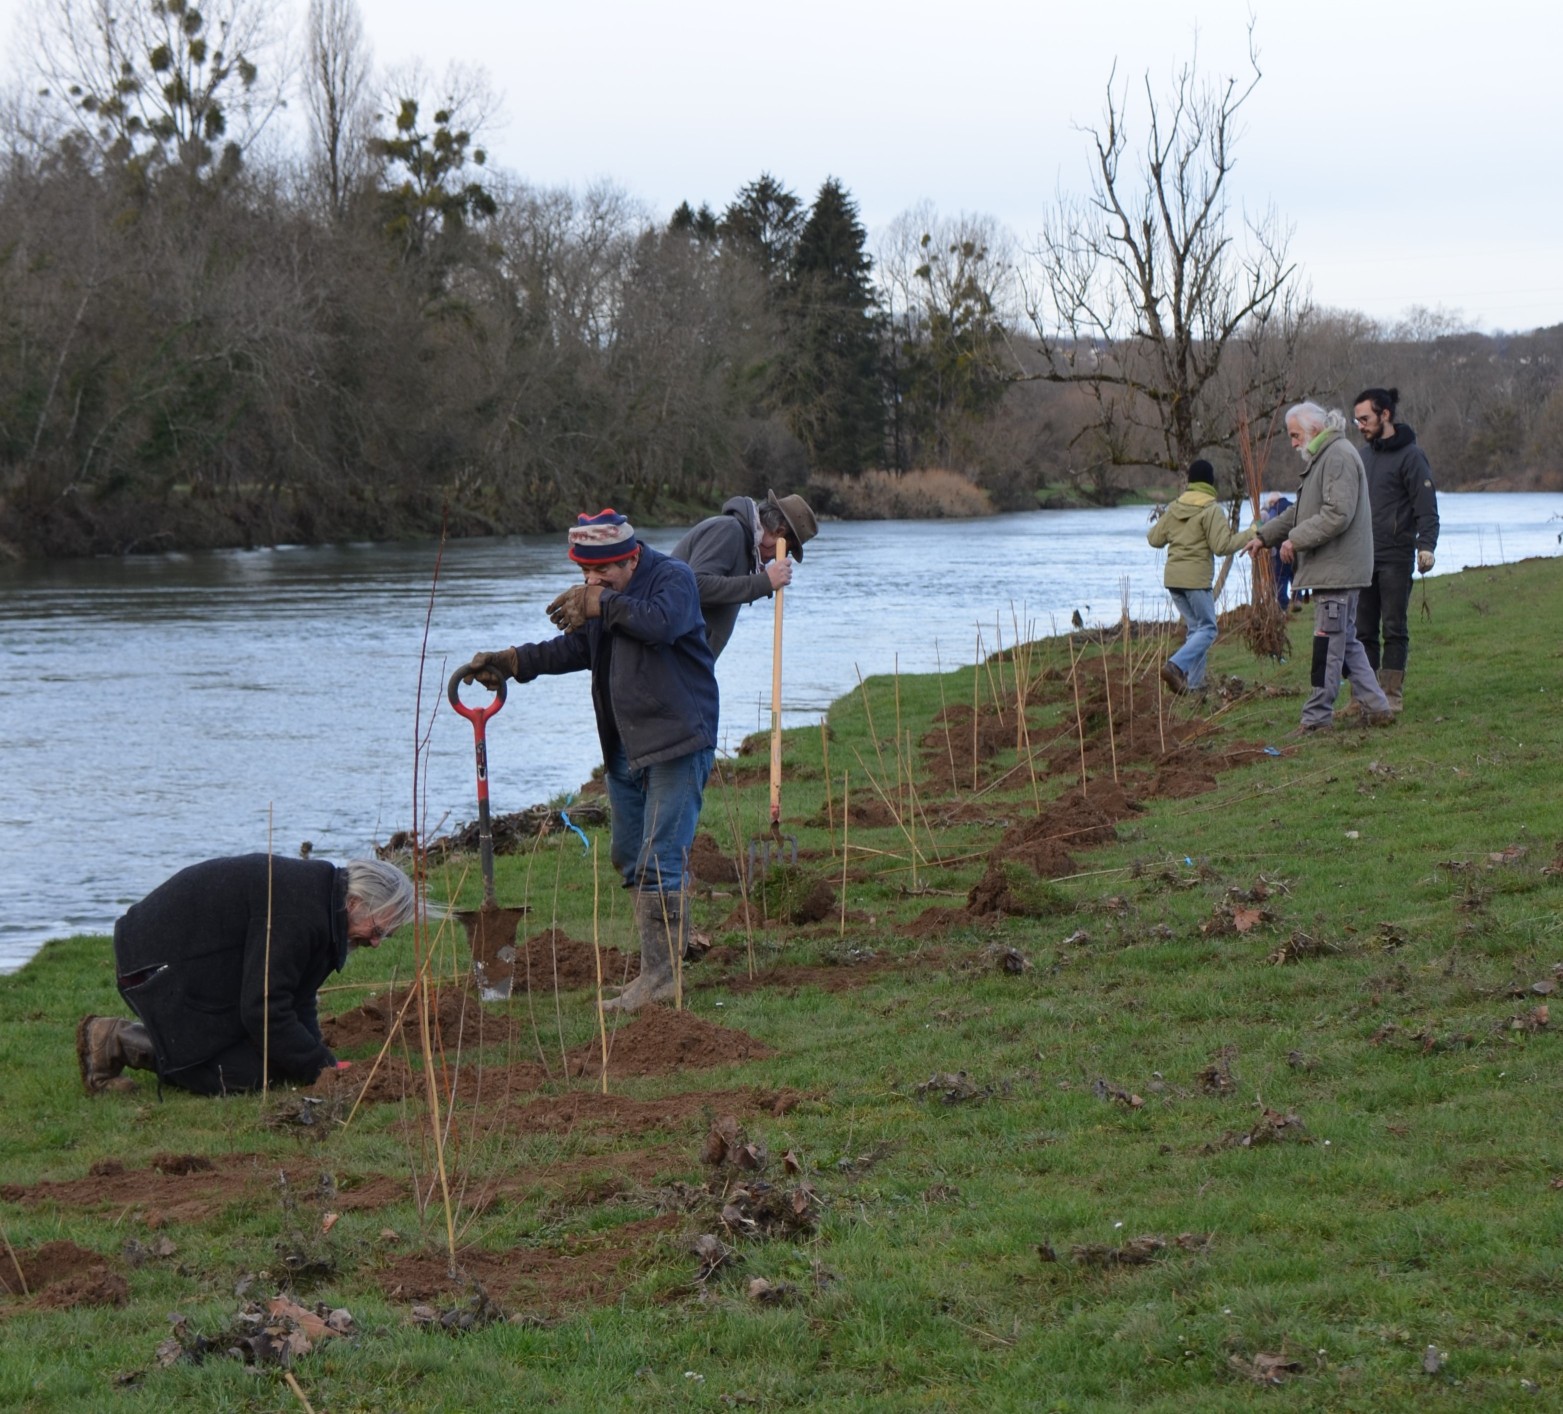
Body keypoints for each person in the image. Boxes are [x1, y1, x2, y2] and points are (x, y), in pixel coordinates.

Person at [461, 510, 719, 1012]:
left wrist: (603, 602)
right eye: (586, 577)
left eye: (603, 575)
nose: (591, 585)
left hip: (677, 740)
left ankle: (662, 983)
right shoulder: (604, 602)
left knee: (659, 858)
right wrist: (515, 662)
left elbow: (661, 625)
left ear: (631, 557)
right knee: (629, 853)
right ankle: (672, 949)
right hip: (625, 744)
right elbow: (578, 647)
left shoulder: (673, 579)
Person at [77, 855, 416, 1096]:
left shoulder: (321, 904)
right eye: (377, 929)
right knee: (242, 1074)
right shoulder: (302, 914)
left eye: (384, 936)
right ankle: (115, 1039)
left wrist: (319, 1062)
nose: (375, 943)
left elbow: (297, 998)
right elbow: (264, 1008)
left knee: (277, 1063)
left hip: (195, 964)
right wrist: (321, 1068)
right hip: (154, 968)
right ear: (355, 902)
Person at [1244, 402, 1393, 733]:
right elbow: (1301, 509)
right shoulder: (1325, 457)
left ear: (1313, 429)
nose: (1294, 443)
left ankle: (1316, 719)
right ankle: (1378, 707)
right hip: (1335, 569)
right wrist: (1264, 537)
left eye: (1295, 435)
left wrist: (1294, 541)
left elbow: (1337, 514)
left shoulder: (1337, 456)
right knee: (1347, 642)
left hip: (1337, 570)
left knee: (1327, 644)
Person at [1351, 386, 1440, 712]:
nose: (1359, 425)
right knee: (1362, 632)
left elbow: (1426, 506)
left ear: (1384, 415)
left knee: (1394, 628)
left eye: (1364, 418)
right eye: (1356, 420)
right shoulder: (1361, 457)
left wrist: (1426, 545)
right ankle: (1364, 697)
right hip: (1362, 558)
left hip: (1396, 557)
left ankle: (1390, 697)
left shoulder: (1412, 456)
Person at [1146, 459, 1256, 694]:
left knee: (1196, 629)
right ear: (1210, 482)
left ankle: (1195, 685)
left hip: (1173, 581)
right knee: (1208, 629)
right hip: (1195, 581)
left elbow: (1154, 538)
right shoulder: (1211, 510)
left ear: (1191, 482)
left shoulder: (1175, 507)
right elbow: (1222, 546)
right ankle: (1175, 666)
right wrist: (1251, 533)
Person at [670, 491, 818, 658]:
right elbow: (696, 585)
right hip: (668, 660)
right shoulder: (729, 530)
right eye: (786, 550)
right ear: (778, 531)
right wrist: (764, 582)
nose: (779, 557)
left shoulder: (743, 545)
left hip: (685, 664)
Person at [1262, 494, 1294, 608]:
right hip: (1296, 544)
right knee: (1293, 573)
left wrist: (1262, 538)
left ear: (1272, 502)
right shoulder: (1292, 505)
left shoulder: (1273, 510)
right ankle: (1298, 598)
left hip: (1280, 549)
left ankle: (1282, 603)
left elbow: (1272, 526)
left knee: (1281, 576)